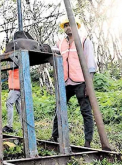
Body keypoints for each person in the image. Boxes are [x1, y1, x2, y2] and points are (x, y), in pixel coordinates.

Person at [52, 17, 96, 148]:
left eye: (70, 24)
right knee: (59, 110)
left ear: (76, 26)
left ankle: (88, 142)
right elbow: (51, 52)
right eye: (65, 25)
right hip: (65, 83)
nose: (67, 27)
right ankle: (55, 136)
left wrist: (89, 85)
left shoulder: (84, 41)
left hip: (81, 82)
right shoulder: (60, 43)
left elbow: (91, 65)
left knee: (86, 112)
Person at [2, 68, 21, 133]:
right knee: (20, 109)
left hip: (14, 89)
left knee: (9, 104)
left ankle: (9, 126)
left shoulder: (14, 66)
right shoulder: (15, 68)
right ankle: (24, 127)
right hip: (18, 88)